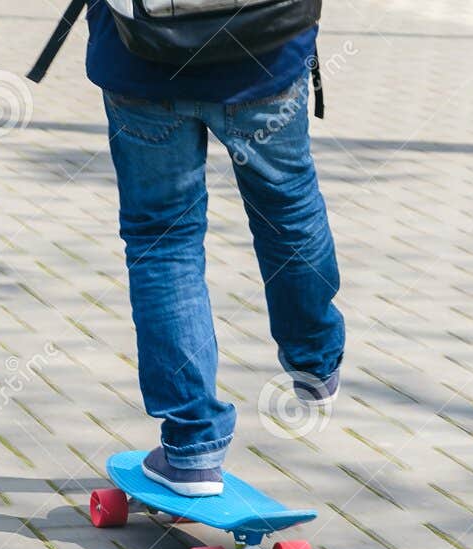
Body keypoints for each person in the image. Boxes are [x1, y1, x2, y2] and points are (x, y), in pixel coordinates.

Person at [85, 2, 346, 497]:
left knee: (162, 240)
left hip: (142, 58)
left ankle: (192, 449)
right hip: (265, 50)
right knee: (287, 207)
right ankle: (315, 362)